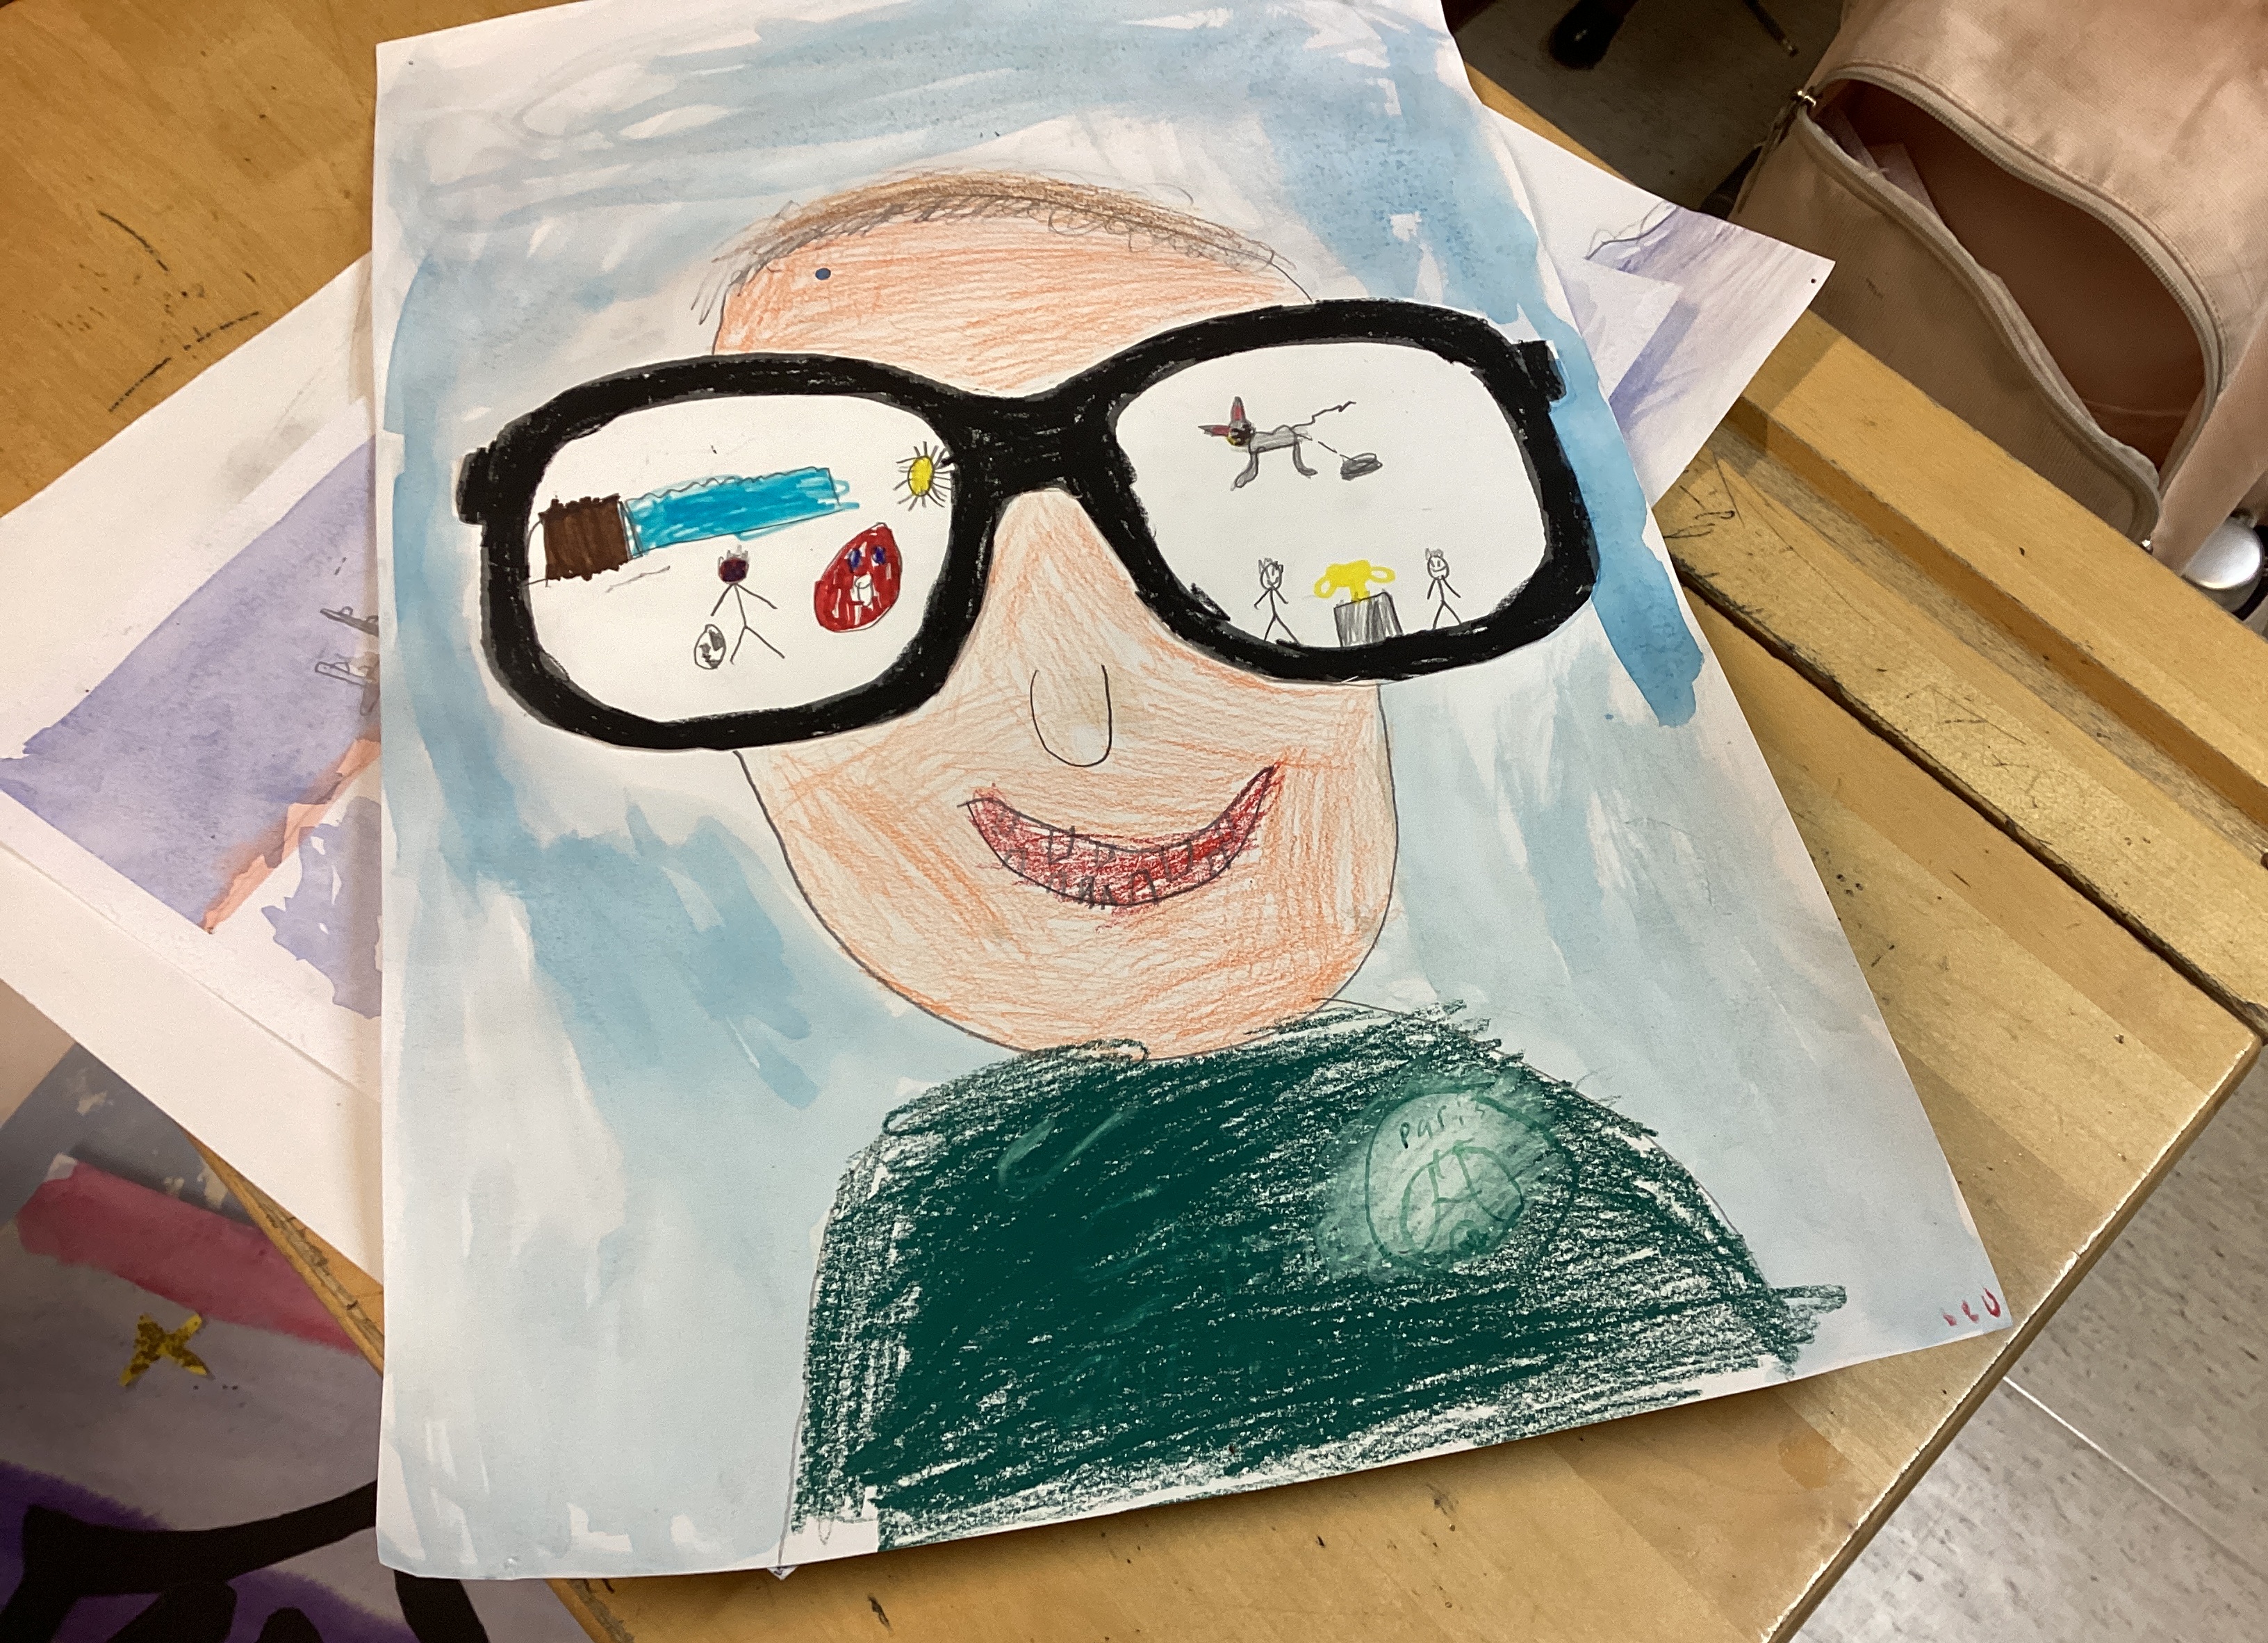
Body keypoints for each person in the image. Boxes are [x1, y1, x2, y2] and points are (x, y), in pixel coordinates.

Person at [479, 170, 1841, 1553]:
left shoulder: (1562, 1243)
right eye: (841, 572)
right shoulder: (930, 1233)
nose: (1085, 724)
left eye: (1243, 522)